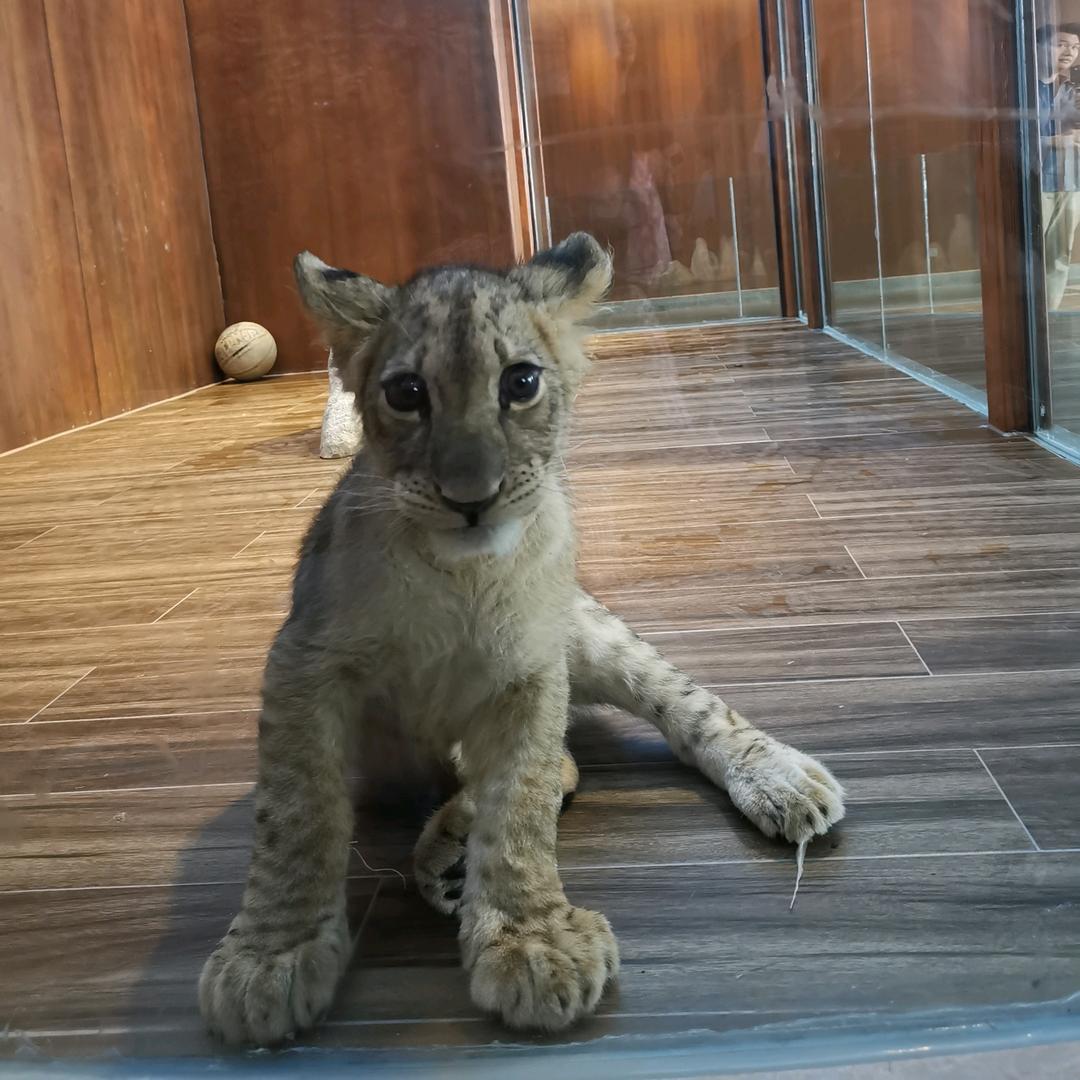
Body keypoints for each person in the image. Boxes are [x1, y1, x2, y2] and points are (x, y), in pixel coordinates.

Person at [1037, 23, 1080, 310]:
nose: (1069, 52)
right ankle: (1026, 317)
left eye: (1075, 47)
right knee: (1028, 253)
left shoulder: (1069, 89)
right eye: (1061, 44)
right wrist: (1054, 141)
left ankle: (1050, 315)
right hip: (1035, 181)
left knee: (1060, 255)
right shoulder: (1021, 89)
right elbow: (1007, 139)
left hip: (1069, 180)